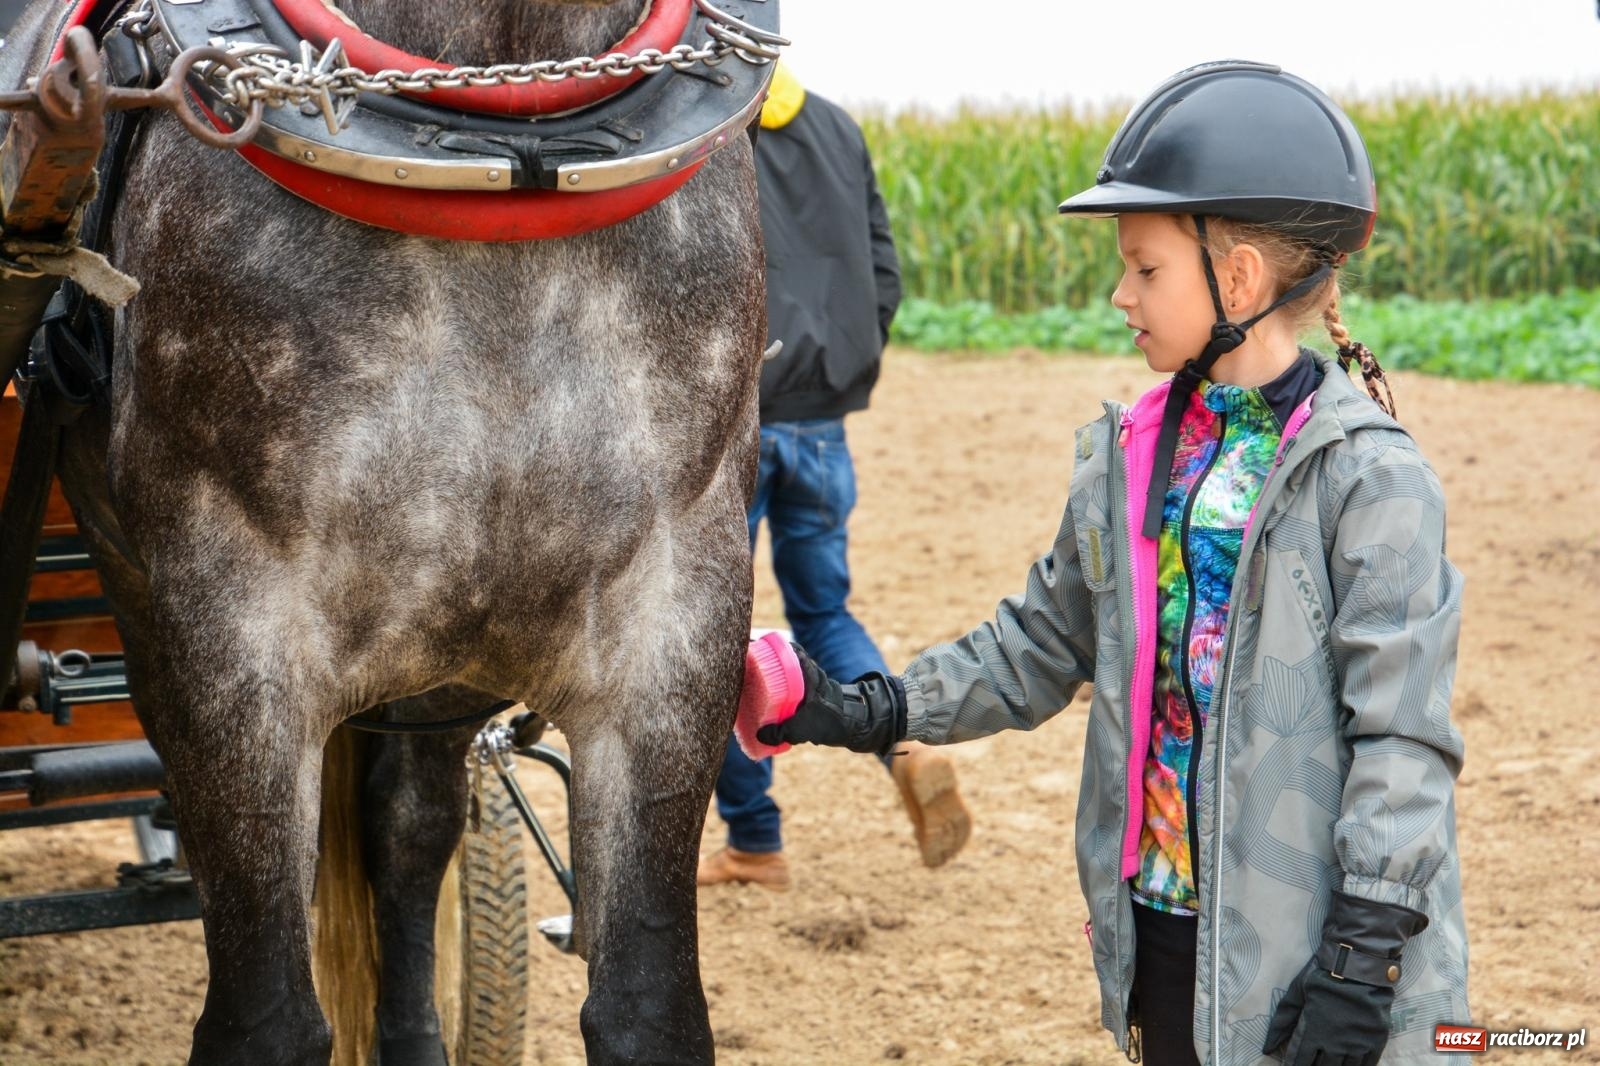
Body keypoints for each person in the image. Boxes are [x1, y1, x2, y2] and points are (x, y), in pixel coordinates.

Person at [755, 62, 1469, 1065]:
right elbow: (1042, 641)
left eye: (1144, 268)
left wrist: (1362, 961)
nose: (1117, 292)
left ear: (1239, 279)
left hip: (1320, 959)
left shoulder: (1368, 477)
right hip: (1164, 929)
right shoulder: (1130, 454)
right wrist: (871, 706)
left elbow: (1403, 742)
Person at [696, 64, 973, 891]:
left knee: (712, 628)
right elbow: (881, 268)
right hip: (820, 421)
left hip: (728, 418)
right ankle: (903, 746)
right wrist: (849, 362)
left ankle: (754, 841)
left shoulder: (701, 121)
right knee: (823, 610)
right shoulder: (837, 126)